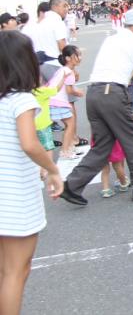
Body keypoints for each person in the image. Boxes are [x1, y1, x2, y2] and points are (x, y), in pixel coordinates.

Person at [60, 7, 133, 206]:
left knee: (102, 145)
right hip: (113, 93)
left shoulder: (112, 39)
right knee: (132, 139)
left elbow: (129, 71)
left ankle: (72, 184)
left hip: (95, 93)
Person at [0, 31, 63, 315]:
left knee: (7, 271)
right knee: (16, 271)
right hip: (14, 197)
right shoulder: (21, 100)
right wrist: (52, 169)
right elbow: (29, 143)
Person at [48, 45, 84, 158]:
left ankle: (68, 148)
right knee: (70, 125)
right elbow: (69, 90)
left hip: (53, 100)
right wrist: (78, 92)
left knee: (69, 124)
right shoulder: (69, 72)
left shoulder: (63, 70)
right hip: (58, 101)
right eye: (77, 55)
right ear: (68, 58)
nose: (80, 57)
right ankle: (66, 151)